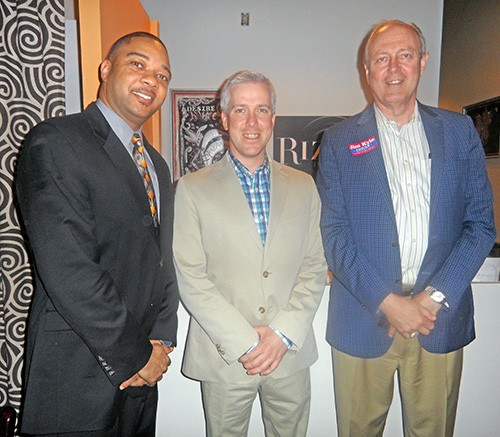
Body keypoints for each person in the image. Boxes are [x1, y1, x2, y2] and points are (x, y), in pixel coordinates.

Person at [317, 19, 496, 437]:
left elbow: (480, 225)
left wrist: (430, 299)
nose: (393, 68)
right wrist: (389, 302)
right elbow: (334, 235)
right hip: (363, 319)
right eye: (382, 58)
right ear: (367, 71)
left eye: (405, 55)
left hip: (440, 319)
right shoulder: (340, 141)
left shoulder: (459, 132)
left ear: (422, 62)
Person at [16, 32, 179, 436]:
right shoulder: (56, 141)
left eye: (162, 75)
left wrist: (161, 337)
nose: (151, 81)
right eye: (137, 64)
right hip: (77, 376)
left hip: (140, 382)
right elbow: (69, 268)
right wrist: (136, 355)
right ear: (106, 69)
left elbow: (161, 259)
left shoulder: (156, 165)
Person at [173, 70, 327, 437]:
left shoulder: (304, 186)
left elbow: (315, 266)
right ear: (224, 119)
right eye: (241, 110)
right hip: (225, 356)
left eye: (261, 110)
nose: (252, 122)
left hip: (287, 354)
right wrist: (246, 342)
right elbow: (190, 276)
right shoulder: (192, 190)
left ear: (273, 118)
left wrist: (281, 335)